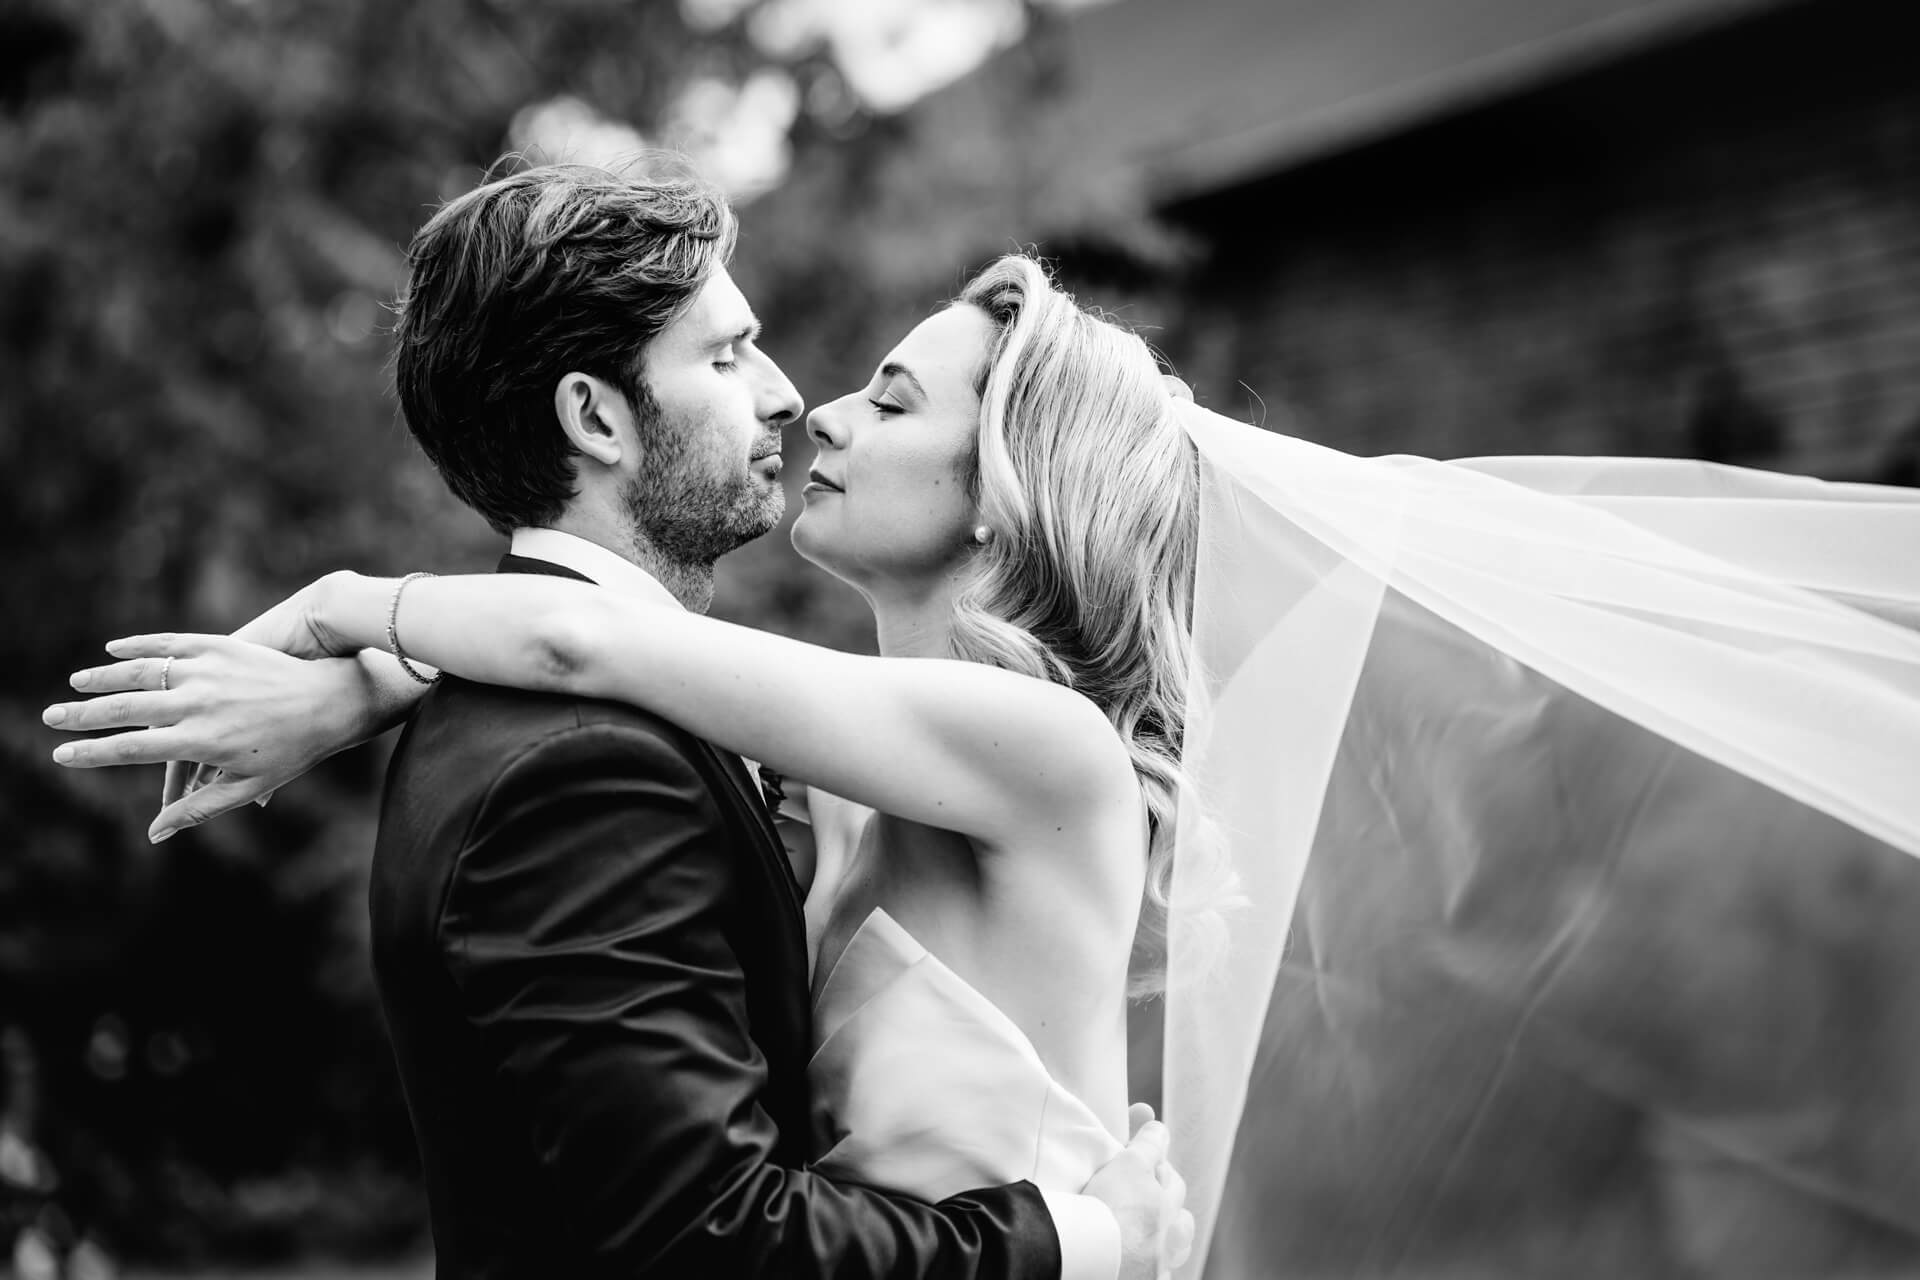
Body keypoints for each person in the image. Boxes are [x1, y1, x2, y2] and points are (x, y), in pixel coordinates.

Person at [44, 165, 1192, 1280]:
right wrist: (371, 687)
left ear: (1002, 488)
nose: (809, 406)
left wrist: (349, 614)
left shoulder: (1039, 746)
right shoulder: (718, 768)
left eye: (892, 403)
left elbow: (581, 643)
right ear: (594, 415)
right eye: (729, 354)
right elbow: (707, 1232)